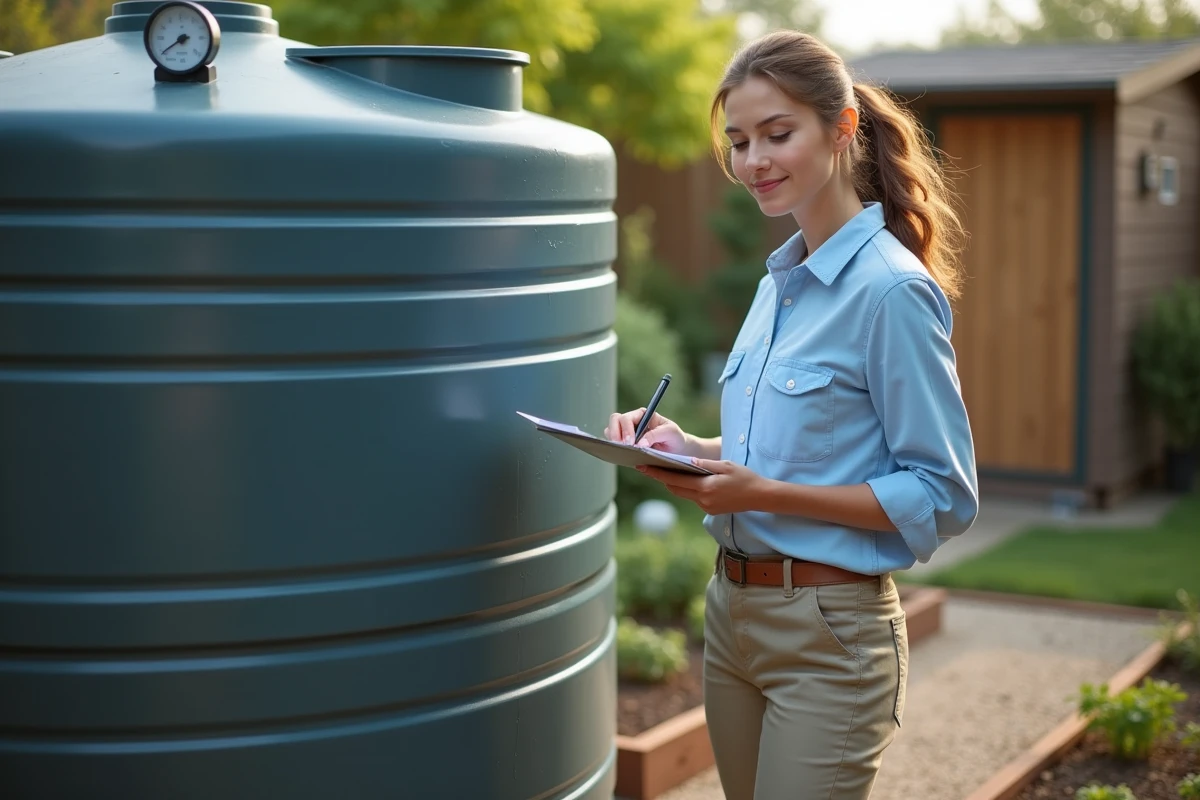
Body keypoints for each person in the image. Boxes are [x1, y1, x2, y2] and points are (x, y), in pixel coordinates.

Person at [604, 29, 979, 800]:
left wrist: (762, 495)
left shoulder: (891, 292)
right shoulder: (779, 283)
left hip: (830, 633)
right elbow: (777, 449)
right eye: (740, 142)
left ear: (842, 130)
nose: (753, 162)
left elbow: (941, 493)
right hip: (731, 617)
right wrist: (686, 445)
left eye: (778, 134)